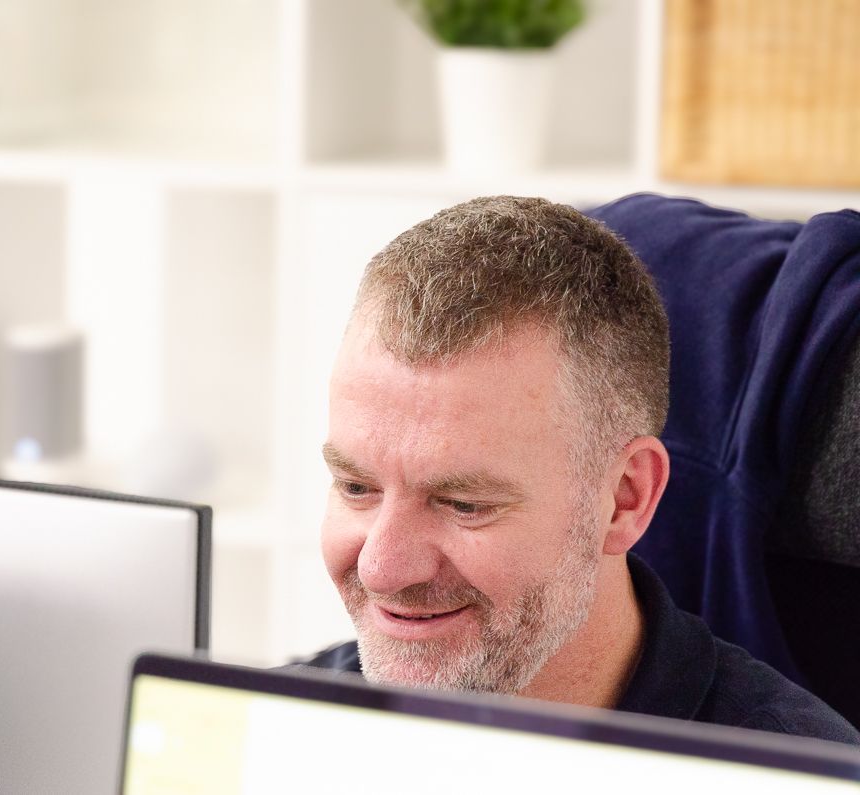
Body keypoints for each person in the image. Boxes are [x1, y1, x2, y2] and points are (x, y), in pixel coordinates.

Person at [299, 195, 860, 745]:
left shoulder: (794, 779)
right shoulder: (264, 730)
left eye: (463, 504)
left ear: (624, 499)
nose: (382, 569)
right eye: (356, 487)